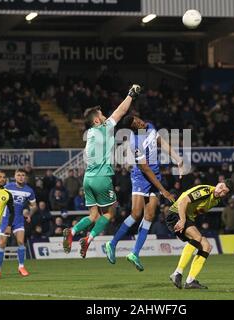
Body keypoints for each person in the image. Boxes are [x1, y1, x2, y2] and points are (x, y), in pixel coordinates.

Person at [62, 84, 142, 258]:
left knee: (93, 215)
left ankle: (73, 232)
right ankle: (88, 239)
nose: (105, 116)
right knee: (109, 213)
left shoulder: (90, 133)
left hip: (88, 178)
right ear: (97, 121)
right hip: (101, 177)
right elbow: (120, 112)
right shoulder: (103, 129)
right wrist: (131, 95)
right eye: (101, 115)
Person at [105, 114, 181, 271]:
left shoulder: (150, 126)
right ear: (133, 129)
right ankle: (111, 244)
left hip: (156, 175)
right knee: (136, 213)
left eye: (138, 119)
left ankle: (135, 253)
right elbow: (145, 169)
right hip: (141, 177)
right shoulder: (135, 143)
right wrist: (163, 190)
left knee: (150, 215)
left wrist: (177, 158)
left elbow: (162, 142)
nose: (140, 122)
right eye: (137, 123)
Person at [166, 180, 232, 289]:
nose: (220, 192)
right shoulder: (205, 191)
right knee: (197, 237)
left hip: (187, 218)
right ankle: (177, 273)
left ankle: (190, 280)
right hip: (176, 213)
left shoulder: (215, 201)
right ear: (219, 183)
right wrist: (182, 220)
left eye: (224, 192)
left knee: (207, 247)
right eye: (221, 187)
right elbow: (183, 202)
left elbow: (195, 211)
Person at [0, 169, 37, 279]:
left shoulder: (29, 190)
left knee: (21, 241)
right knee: (2, 243)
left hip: (18, 219)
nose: (21, 177)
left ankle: (21, 267)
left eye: (23, 175)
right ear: (15, 176)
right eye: (18, 175)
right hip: (6, 218)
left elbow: (34, 206)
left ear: (25, 177)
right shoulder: (7, 187)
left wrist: (29, 214)